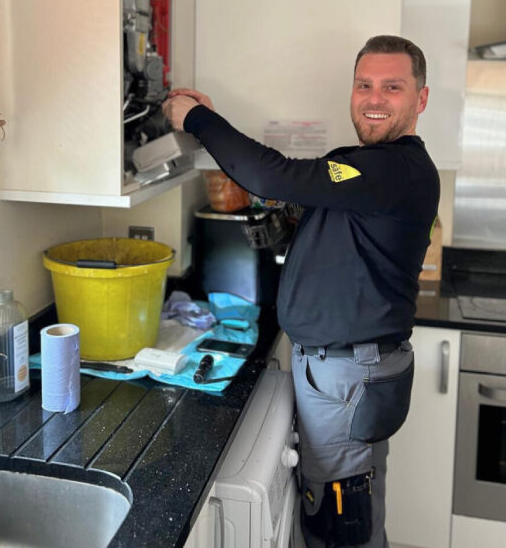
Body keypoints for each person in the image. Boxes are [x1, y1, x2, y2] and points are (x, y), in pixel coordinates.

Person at [162, 35, 440, 548]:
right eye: (364, 85)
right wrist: (216, 129)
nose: (374, 98)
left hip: (347, 378)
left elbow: (274, 174)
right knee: (341, 517)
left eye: (392, 87)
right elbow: (279, 186)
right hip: (342, 373)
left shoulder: (396, 169)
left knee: (340, 527)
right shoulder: (361, 163)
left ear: (420, 99)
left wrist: (197, 121)